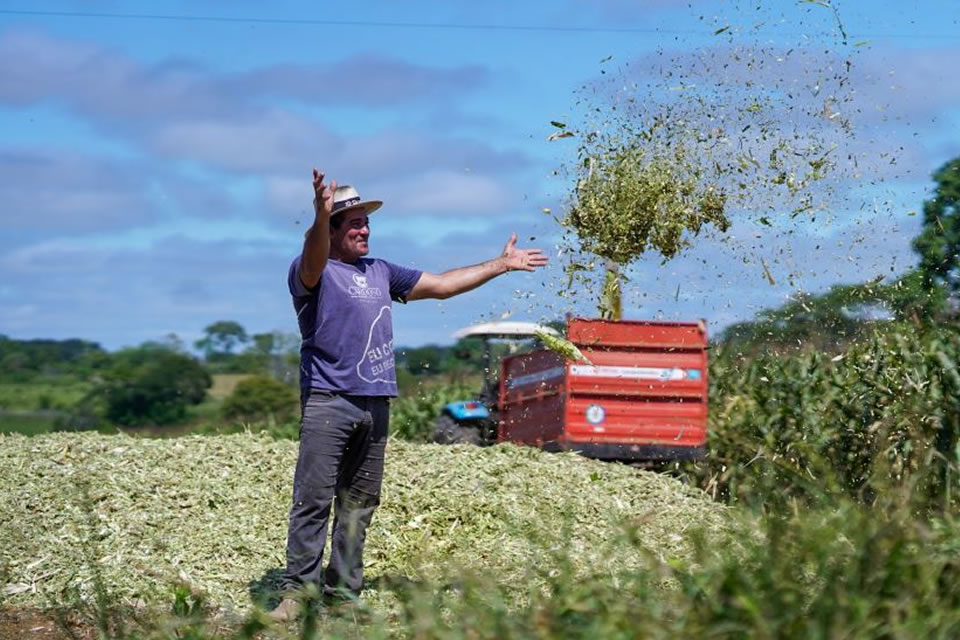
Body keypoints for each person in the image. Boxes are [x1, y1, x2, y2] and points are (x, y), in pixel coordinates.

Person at [270, 169, 548, 621]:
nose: (364, 230)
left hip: (375, 403)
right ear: (333, 229)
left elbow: (441, 285)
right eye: (353, 223)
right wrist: (319, 219)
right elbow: (313, 254)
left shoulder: (381, 271)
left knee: (359, 503)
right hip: (328, 399)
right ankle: (297, 594)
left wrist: (501, 265)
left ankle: (342, 596)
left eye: (367, 223)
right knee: (314, 498)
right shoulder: (314, 273)